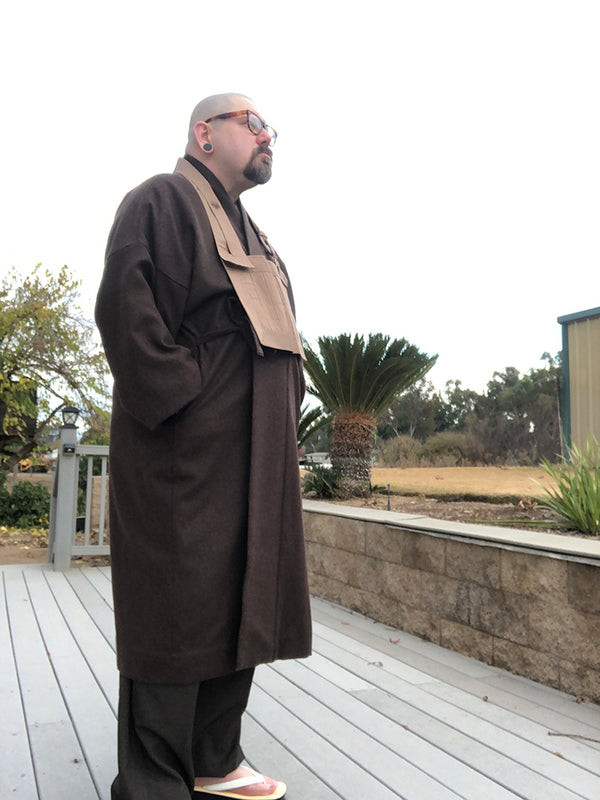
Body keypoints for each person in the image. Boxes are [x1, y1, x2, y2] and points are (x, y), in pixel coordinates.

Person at [95, 93, 312, 800]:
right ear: (205, 133)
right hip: (184, 456)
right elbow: (126, 313)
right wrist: (190, 403)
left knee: (240, 600)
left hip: (257, 455)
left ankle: (214, 759)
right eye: (253, 123)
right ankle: (155, 781)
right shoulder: (160, 201)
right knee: (176, 606)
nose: (268, 135)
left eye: (270, 127)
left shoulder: (257, 235)